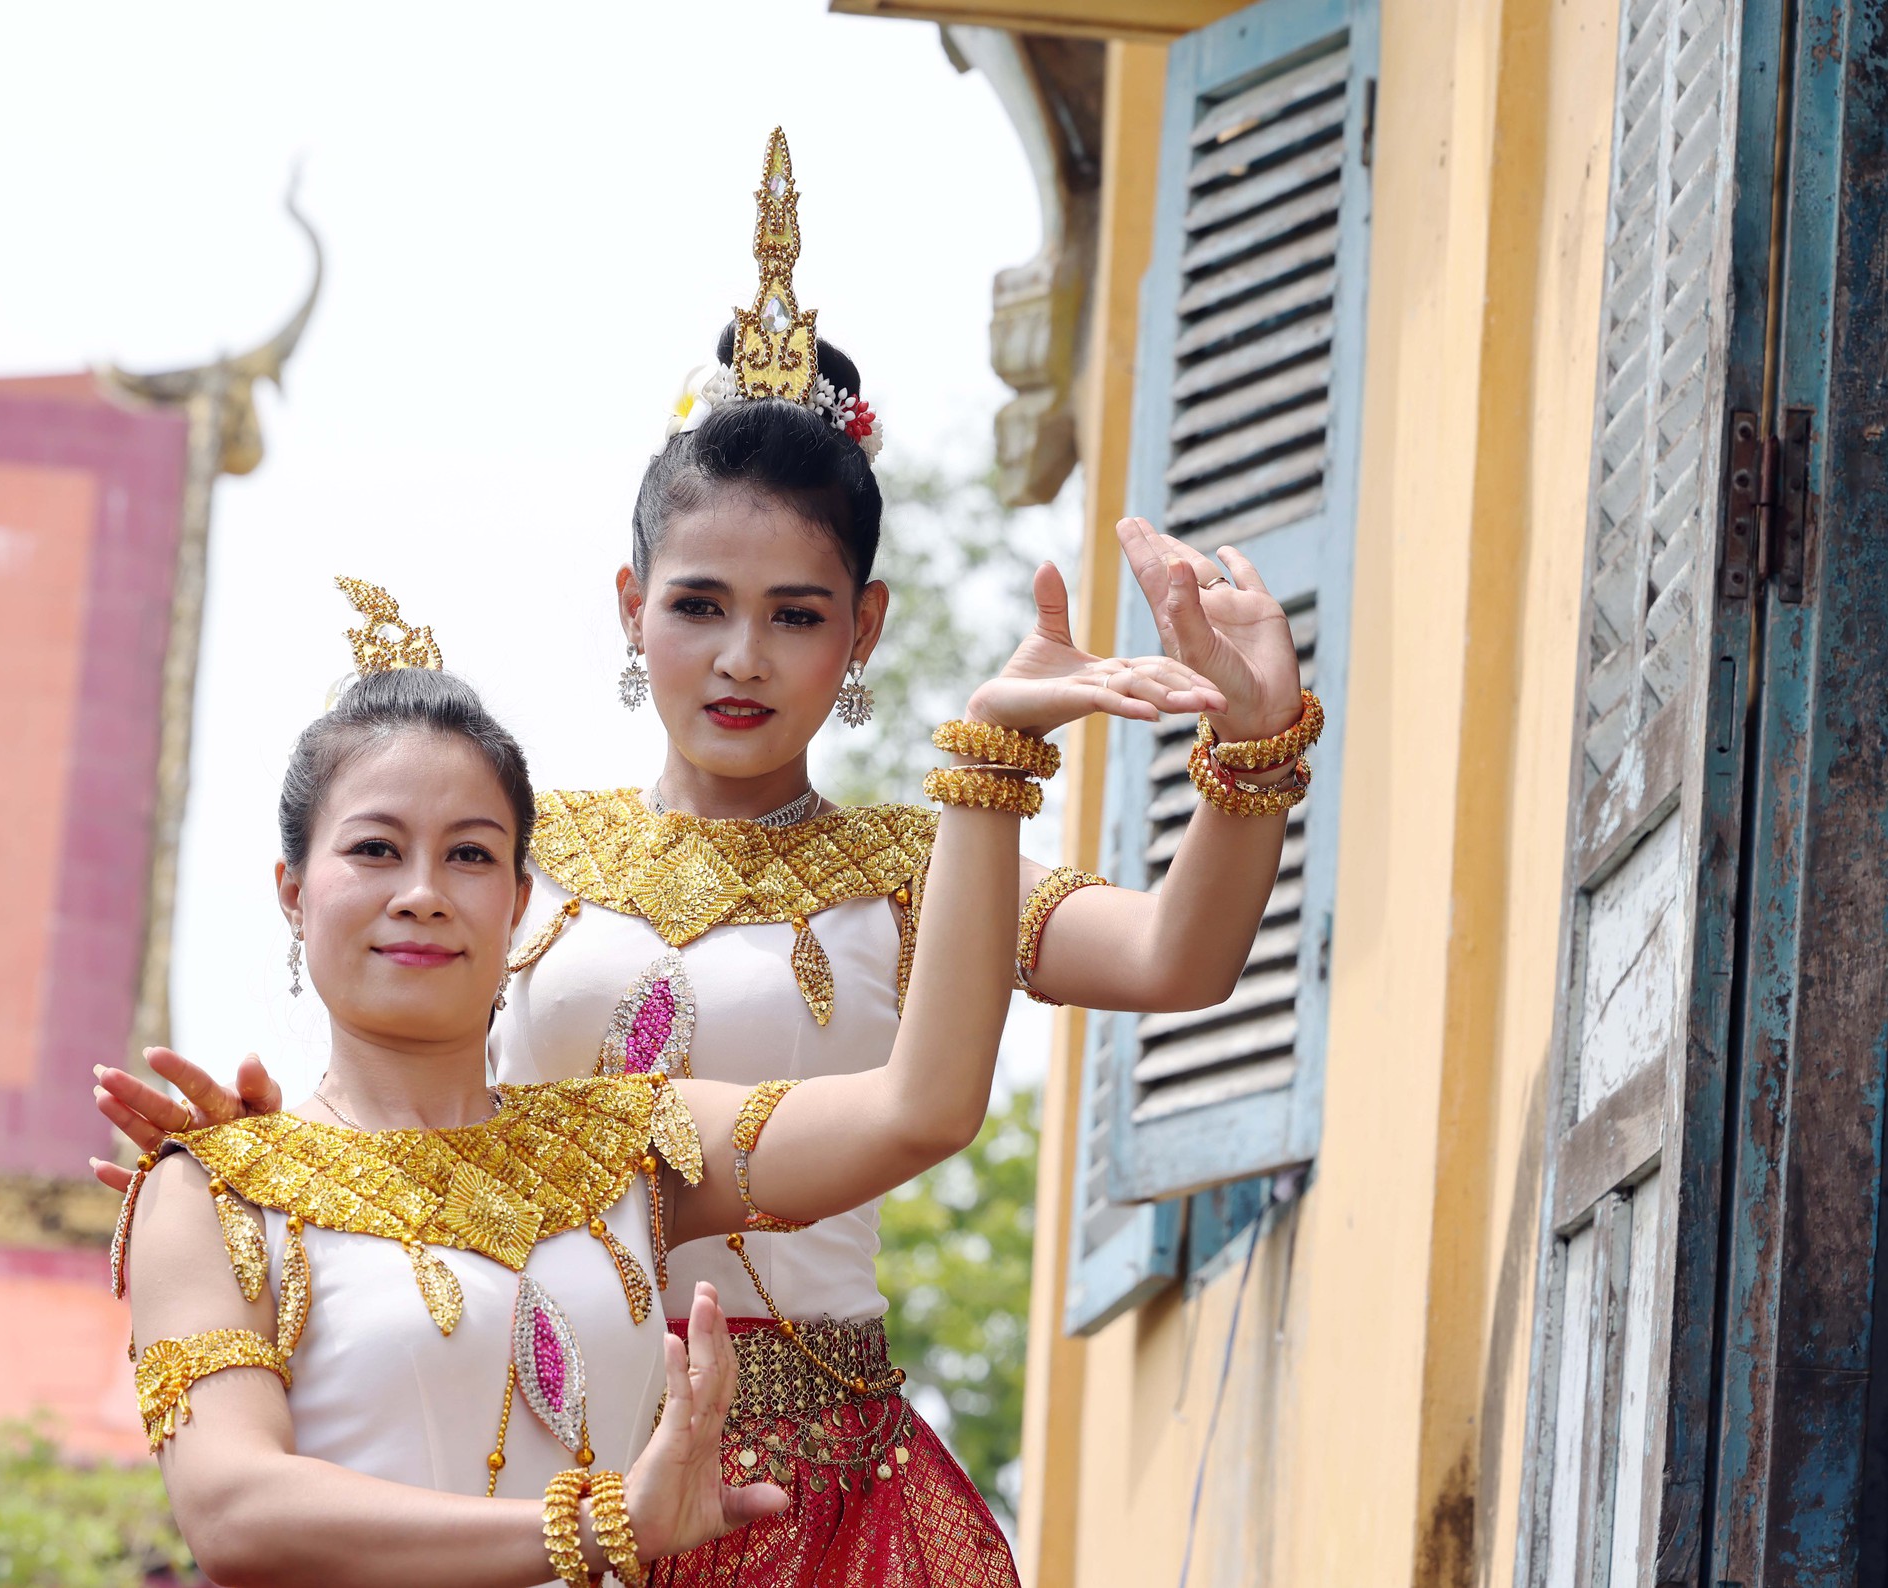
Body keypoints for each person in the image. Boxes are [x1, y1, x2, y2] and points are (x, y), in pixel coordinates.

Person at [98, 130, 1320, 1587]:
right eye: (699, 606)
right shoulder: (511, 853)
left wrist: (1252, 750)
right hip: (542, 1440)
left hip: (822, 1476)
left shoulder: (916, 867)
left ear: (862, 630)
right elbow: (401, 1059)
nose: (743, 657)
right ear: (633, 608)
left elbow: (1176, 959)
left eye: (796, 615)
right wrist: (288, 1172)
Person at [116, 581, 1197, 1587]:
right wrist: (596, 1526)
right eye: (374, 849)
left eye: (472, 855)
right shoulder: (211, 1188)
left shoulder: (634, 1144)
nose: (423, 893)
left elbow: (920, 1110)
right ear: (293, 891)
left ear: (522, 905)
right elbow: (234, 1508)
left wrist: (992, 766)